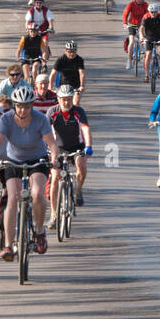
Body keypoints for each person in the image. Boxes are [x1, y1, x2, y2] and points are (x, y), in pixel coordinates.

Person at [0, 82, 59, 259]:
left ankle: (38, 231)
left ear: (32, 105)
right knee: (13, 198)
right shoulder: (6, 119)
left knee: (37, 193)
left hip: (37, 161)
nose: (23, 110)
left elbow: (52, 143)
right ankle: (8, 245)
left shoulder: (40, 119)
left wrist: (53, 158)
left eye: (27, 106)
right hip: (13, 161)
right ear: (15, 105)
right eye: (20, 106)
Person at [48, 84, 93, 225]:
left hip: (76, 147)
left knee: (81, 165)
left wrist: (88, 146)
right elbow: (45, 131)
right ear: (58, 99)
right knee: (55, 178)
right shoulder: (52, 111)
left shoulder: (79, 111)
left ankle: (78, 191)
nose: (66, 102)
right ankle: (54, 214)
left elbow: (85, 129)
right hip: (58, 148)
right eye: (63, 99)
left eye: (69, 99)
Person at [49, 39, 85, 104]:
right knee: (59, 103)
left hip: (75, 86)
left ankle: (76, 114)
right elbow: (53, 74)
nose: (72, 54)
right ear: (65, 51)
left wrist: (82, 85)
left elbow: (81, 74)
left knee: (75, 102)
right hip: (62, 86)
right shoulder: (60, 60)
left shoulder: (79, 60)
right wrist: (50, 86)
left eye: (74, 51)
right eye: (69, 51)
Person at [140, 2, 160, 80]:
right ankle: (146, 74)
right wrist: (141, 37)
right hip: (148, 38)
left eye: (155, 12)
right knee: (148, 54)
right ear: (149, 11)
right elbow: (141, 28)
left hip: (159, 37)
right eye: (151, 12)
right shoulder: (145, 17)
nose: (153, 13)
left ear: (157, 12)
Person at [122, 0, 149, 68]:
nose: (139, 0)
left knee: (142, 38)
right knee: (131, 41)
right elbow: (125, 14)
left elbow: (148, 15)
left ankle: (143, 51)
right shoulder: (131, 4)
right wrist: (124, 23)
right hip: (132, 25)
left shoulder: (145, 5)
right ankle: (129, 61)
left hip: (142, 25)